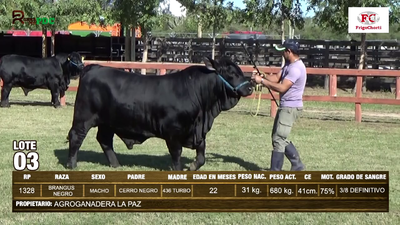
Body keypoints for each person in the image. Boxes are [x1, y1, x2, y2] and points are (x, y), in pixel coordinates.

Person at [251, 39, 307, 171]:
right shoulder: (289, 65)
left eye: (283, 51)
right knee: (278, 137)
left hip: (290, 108)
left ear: (289, 51)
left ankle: (275, 172)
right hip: (285, 106)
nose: (282, 54)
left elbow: (282, 88)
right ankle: (297, 165)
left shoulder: (296, 68)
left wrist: (262, 81)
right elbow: (276, 78)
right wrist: (262, 76)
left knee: (279, 139)